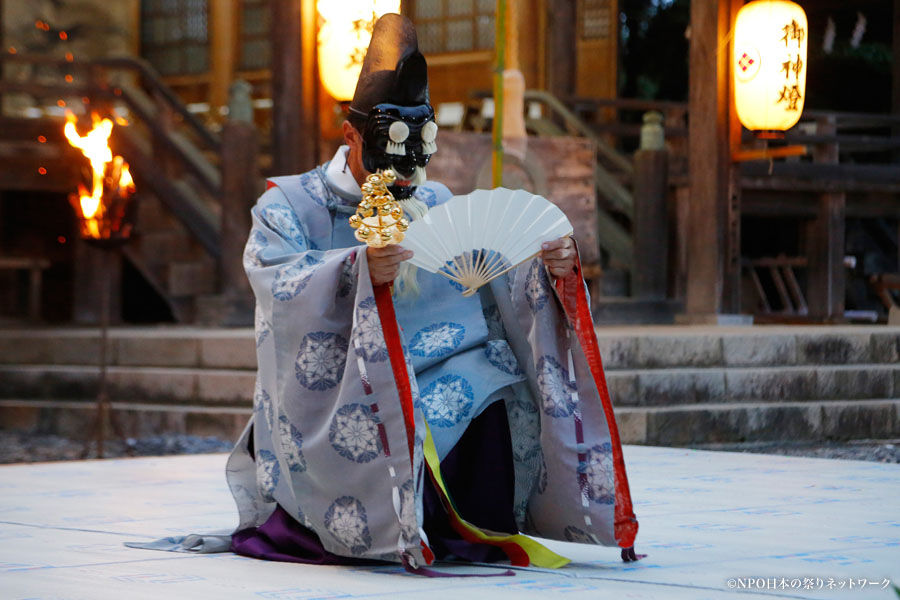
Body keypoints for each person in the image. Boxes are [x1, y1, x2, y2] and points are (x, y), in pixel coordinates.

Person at [223, 13, 640, 572]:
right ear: (350, 134)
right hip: (346, 379)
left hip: (445, 360)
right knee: (388, 402)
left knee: (492, 372)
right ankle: (369, 524)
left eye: (418, 152)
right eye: (389, 150)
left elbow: (494, 277)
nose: (404, 177)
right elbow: (278, 283)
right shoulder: (289, 206)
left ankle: (465, 526)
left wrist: (549, 268)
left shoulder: (435, 198)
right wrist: (355, 270)